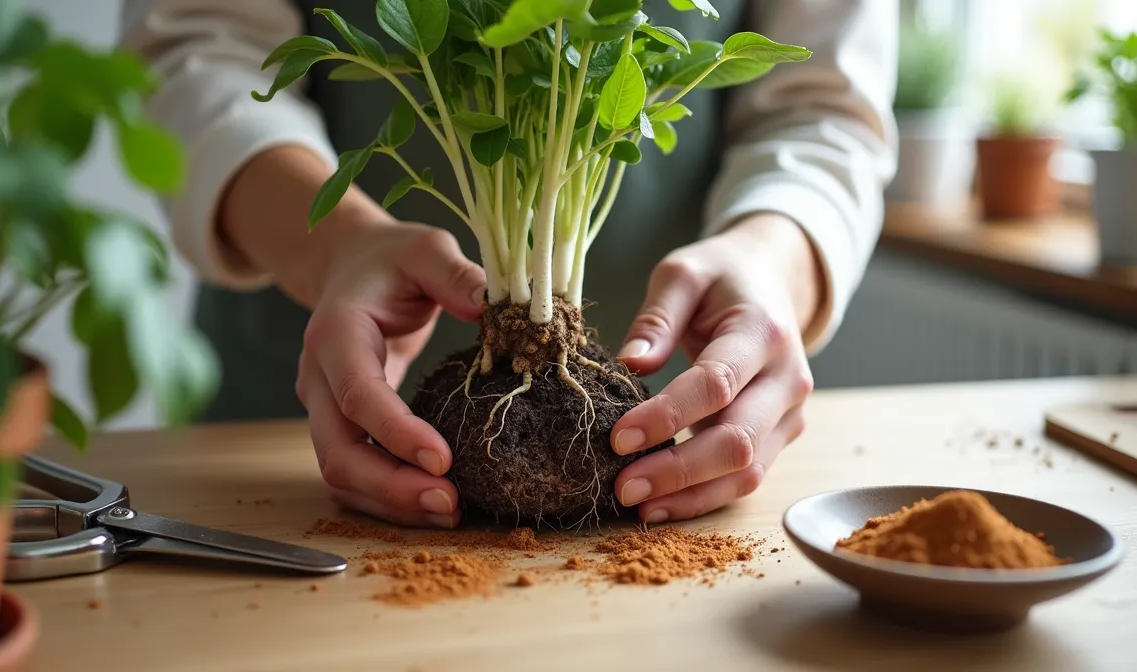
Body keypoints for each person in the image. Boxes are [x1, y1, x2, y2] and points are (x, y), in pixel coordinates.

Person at [118, 0, 898, 529]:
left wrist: (770, 257)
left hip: (674, 416)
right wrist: (335, 244)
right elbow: (195, 46)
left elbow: (824, 105)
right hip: (295, 423)